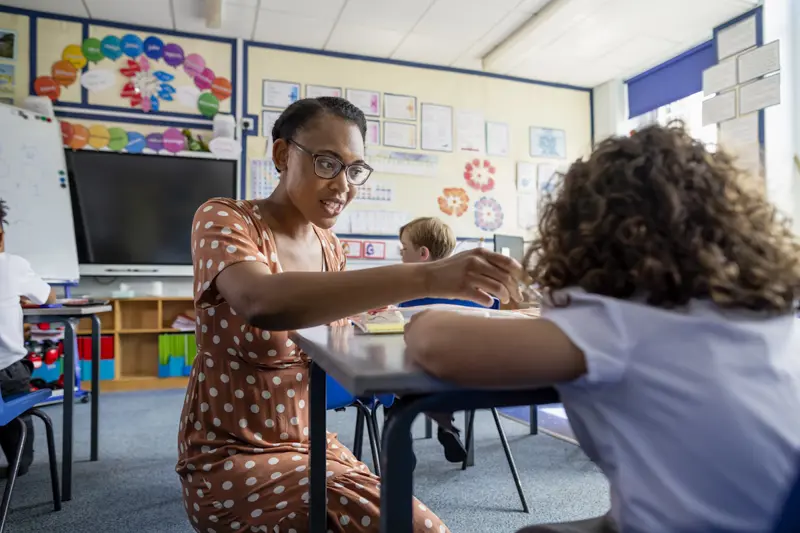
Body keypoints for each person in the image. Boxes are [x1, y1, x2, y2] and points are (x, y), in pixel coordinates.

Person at [404, 122, 800, 533]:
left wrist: (422, 314)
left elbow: (433, 343)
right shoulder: (769, 313)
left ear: (587, 230)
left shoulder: (616, 320)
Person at [176, 97, 525, 533]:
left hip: (310, 445)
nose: (344, 184)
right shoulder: (225, 218)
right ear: (283, 155)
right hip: (229, 455)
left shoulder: (330, 248)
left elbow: (341, 337)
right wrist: (427, 278)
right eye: (327, 163)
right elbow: (262, 301)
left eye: (354, 169)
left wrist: (433, 332)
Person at [397, 217, 467, 463]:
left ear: (423, 254)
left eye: (404, 250)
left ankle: (400, 444)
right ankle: (447, 427)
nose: (401, 257)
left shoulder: (409, 292)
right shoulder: (470, 289)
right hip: (465, 380)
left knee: (394, 391)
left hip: (414, 377)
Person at [0, 199, 56, 477]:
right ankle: (19, 462)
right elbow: (49, 297)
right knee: (15, 408)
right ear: (1, 235)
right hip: (7, 373)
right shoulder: (12, 265)